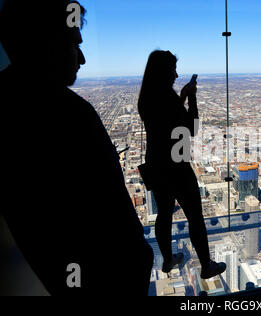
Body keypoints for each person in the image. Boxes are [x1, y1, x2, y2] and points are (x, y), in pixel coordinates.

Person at [0, 1, 153, 295]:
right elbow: (115, 223)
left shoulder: (3, 103)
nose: (81, 58)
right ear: (45, 42)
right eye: (73, 43)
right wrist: (139, 262)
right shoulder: (69, 114)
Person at [138, 50, 226, 279]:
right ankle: (207, 266)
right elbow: (191, 128)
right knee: (195, 216)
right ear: (163, 72)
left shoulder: (146, 96)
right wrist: (192, 96)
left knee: (164, 215)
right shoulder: (166, 97)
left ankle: (167, 259)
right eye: (172, 70)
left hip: (156, 164)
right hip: (176, 165)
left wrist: (182, 96)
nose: (176, 75)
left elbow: (167, 119)